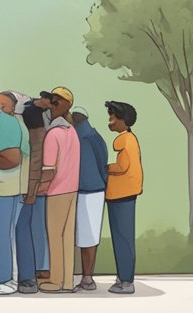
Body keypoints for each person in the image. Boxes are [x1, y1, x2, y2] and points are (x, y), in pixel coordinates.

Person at [0, 91, 27, 295]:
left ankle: (4, 280)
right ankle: (11, 277)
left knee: (3, 233)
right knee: (8, 233)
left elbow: (11, 158)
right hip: (13, 185)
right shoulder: (11, 121)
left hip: (6, 185)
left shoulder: (4, 121)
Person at [40, 87, 80, 293]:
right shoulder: (72, 131)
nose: (50, 107)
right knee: (67, 237)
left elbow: (48, 169)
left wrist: (39, 188)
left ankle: (56, 281)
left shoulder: (53, 133)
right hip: (72, 190)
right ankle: (67, 281)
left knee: (55, 237)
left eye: (54, 103)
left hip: (56, 191)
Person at [104, 100, 142, 294]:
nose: (109, 121)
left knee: (122, 238)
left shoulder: (124, 140)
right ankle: (123, 276)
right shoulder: (131, 139)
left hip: (121, 195)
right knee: (122, 237)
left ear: (122, 120)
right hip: (125, 193)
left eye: (112, 117)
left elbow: (122, 167)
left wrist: (106, 168)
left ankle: (126, 280)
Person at [15, 95, 50, 294]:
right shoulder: (36, 128)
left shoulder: (35, 131)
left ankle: (27, 276)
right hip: (29, 187)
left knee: (23, 230)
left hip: (27, 188)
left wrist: (31, 189)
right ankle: (30, 273)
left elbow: (35, 162)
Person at [72, 106, 109, 292]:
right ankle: (86, 277)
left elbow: (102, 165)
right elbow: (103, 163)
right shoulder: (95, 137)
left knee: (88, 236)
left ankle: (87, 278)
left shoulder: (88, 138)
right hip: (88, 190)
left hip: (90, 191)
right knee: (87, 236)